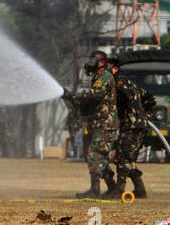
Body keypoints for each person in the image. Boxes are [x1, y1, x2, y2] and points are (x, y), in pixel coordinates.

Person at [62, 50, 118, 199]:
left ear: (101, 62)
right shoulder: (97, 77)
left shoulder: (105, 76)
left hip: (105, 124)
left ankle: (95, 190)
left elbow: (95, 95)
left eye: (93, 60)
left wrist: (74, 95)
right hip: (99, 123)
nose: (89, 63)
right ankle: (113, 188)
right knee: (100, 158)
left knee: (94, 155)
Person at [105, 56, 154, 198]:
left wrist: (145, 113)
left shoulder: (120, 83)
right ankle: (140, 190)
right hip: (131, 125)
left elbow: (144, 97)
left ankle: (119, 189)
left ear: (115, 68)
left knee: (123, 158)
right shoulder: (123, 82)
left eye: (108, 66)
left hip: (133, 126)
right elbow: (145, 95)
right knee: (127, 157)